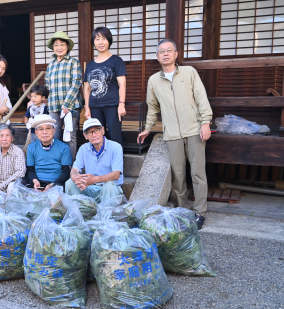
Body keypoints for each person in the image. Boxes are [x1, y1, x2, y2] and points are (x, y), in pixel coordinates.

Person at [137, 39, 213, 230]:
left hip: (194, 130)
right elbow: (153, 107)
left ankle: (200, 213)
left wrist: (206, 123)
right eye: (161, 51)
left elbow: (201, 98)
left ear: (176, 54)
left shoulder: (189, 72)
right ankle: (184, 210)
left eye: (169, 50)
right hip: (172, 134)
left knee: (198, 172)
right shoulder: (154, 80)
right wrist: (148, 127)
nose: (165, 54)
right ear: (157, 57)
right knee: (178, 175)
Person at [83, 27, 127, 146]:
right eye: (97, 39)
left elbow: (122, 83)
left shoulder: (116, 60)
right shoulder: (90, 65)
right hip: (95, 107)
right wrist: (87, 108)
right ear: (93, 42)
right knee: (97, 138)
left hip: (112, 105)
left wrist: (121, 104)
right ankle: (100, 164)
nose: (101, 42)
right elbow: (87, 88)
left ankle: (117, 165)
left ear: (109, 41)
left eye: (104, 39)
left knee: (115, 137)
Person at [65, 118, 123, 203]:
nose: (94, 134)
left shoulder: (115, 147)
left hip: (110, 189)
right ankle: (82, 212)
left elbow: (116, 174)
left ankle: (106, 215)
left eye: (96, 130)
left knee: (110, 185)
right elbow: (75, 169)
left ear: (102, 130)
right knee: (70, 183)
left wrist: (95, 179)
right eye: (90, 132)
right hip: (89, 188)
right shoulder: (83, 148)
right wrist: (75, 178)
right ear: (86, 136)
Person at [45, 31, 82, 158]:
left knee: (70, 136)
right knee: (54, 134)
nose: (59, 47)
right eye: (56, 45)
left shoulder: (73, 62)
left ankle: (69, 166)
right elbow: (47, 85)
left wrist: (66, 104)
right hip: (54, 106)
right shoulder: (50, 65)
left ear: (67, 47)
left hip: (70, 106)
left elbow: (76, 83)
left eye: (62, 44)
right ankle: (56, 163)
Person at [20, 114, 72, 191]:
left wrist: (53, 184)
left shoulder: (64, 147)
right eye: (40, 129)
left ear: (54, 130)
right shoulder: (31, 147)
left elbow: (66, 171)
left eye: (48, 128)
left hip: (56, 183)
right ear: (36, 132)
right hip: (37, 183)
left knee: (65, 186)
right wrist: (35, 181)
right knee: (21, 182)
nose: (45, 132)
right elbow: (30, 169)